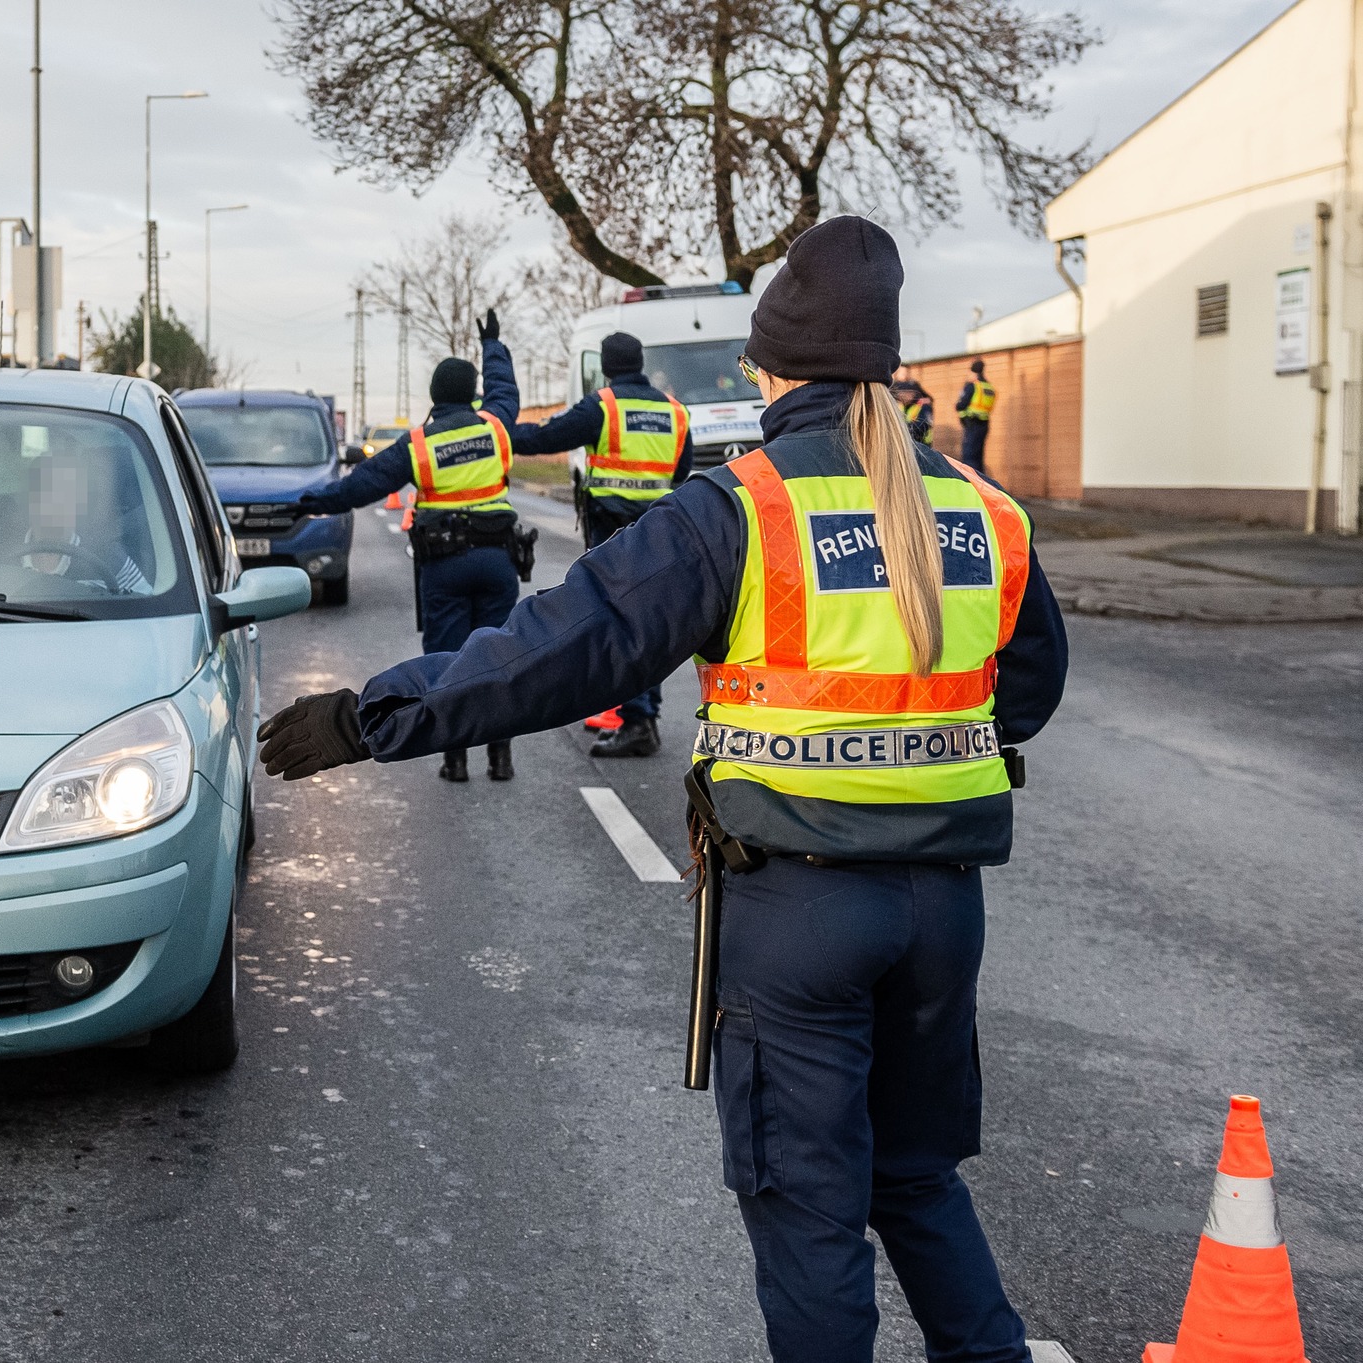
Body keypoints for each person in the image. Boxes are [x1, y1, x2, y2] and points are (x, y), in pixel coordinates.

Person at [255, 215, 1067, 1363]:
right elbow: (1018, 696)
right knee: (913, 1176)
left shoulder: (741, 507)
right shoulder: (986, 514)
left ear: (770, 368)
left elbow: (553, 653)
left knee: (805, 1207)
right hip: (942, 912)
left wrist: (368, 714)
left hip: (798, 915)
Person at [292, 308, 525, 783]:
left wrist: (311, 500)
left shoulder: (419, 444)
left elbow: (363, 485)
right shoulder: (496, 425)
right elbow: (505, 392)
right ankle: (500, 758)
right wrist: (493, 347)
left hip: (445, 565)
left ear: (435, 396)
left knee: (447, 660)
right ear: (471, 394)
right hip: (498, 559)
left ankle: (454, 759)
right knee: (502, 657)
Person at [508, 330, 692, 758]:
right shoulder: (675, 411)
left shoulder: (604, 406)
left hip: (612, 529)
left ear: (607, 367)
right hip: (660, 527)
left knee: (620, 623)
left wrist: (501, 434)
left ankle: (638, 722)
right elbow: (681, 469)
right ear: (640, 362)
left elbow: (546, 438)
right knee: (649, 623)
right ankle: (643, 715)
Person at [956, 358, 996, 471]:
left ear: (973, 372)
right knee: (979, 457)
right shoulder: (989, 387)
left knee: (969, 457)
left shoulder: (973, 386)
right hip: (984, 424)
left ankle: (970, 484)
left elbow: (960, 405)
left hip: (972, 424)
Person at [893, 375, 934, 444]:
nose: (903, 396)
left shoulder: (923, 406)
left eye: (906, 394)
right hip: (906, 443)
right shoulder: (899, 406)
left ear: (913, 394)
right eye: (900, 394)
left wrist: (900, 429)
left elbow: (922, 425)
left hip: (922, 445)